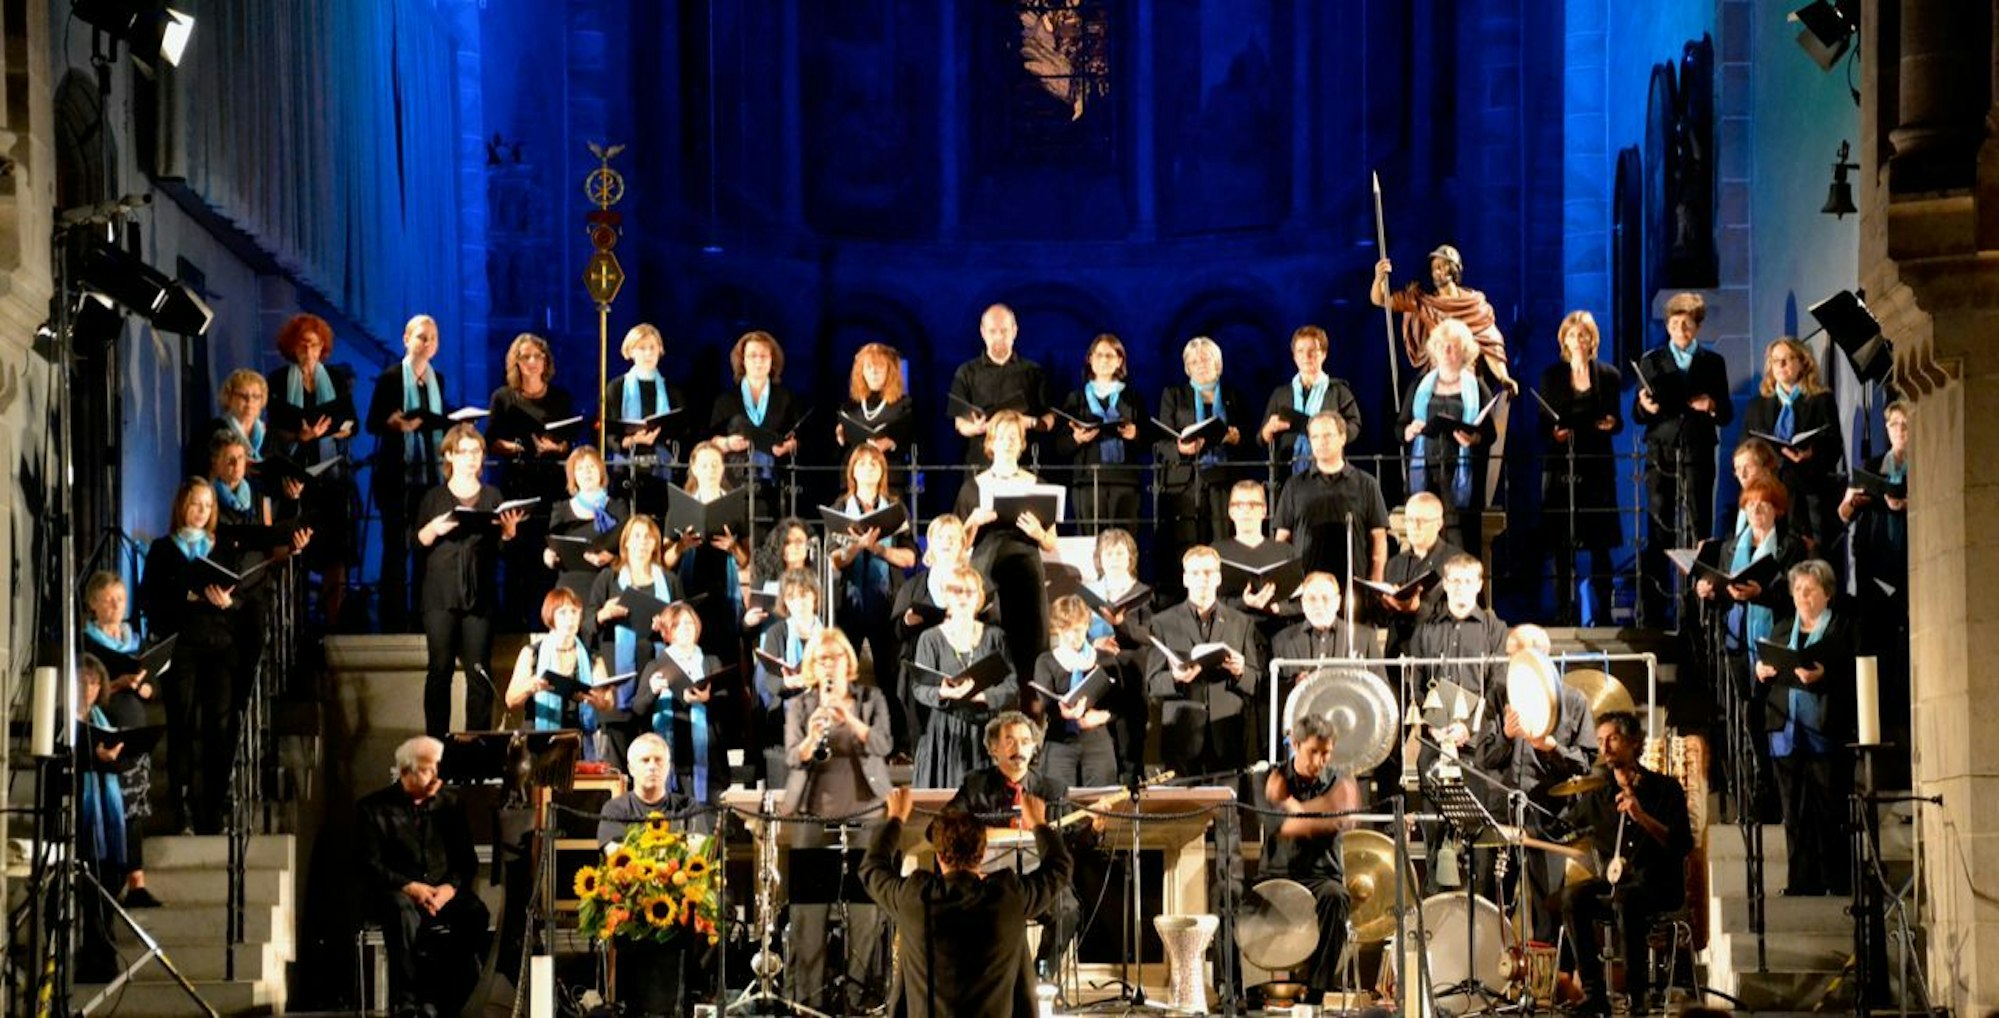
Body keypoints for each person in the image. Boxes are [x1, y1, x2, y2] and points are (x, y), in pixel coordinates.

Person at [862, 785, 1074, 1018]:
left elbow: (872, 868)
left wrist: (895, 818)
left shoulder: (916, 897)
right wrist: (1038, 823)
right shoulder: (1007, 897)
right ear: (982, 853)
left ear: (939, 855)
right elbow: (1059, 868)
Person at [781, 628, 893, 1015]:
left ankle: (858, 999)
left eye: (836, 657)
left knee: (865, 911)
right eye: (822, 659)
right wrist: (811, 738)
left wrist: (852, 720)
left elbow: (883, 744)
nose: (830, 665)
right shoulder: (800, 705)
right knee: (808, 913)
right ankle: (808, 1002)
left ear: (849, 661)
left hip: (865, 815)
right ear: (813, 666)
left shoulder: (871, 699)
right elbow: (792, 757)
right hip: (812, 817)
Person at [1557, 711, 1692, 1017]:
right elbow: (1560, 827)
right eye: (1600, 740)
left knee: (1627, 899)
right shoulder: (1598, 795)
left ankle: (1637, 996)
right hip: (1616, 885)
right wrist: (1524, 826)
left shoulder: (1666, 789)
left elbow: (1682, 844)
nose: (1604, 747)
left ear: (1633, 743)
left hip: (1658, 885)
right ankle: (1595, 995)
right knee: (1572, 897)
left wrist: (1641, 816)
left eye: (1613, 739)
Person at [138, 478, 248, 834]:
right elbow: (148, 599)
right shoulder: (162, 549)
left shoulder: (222, 547)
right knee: (181, 725)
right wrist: (185, 598)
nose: (202, 511)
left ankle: (213, 811)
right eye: (195, 504)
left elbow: (242, 596)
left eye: (207, 505)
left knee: (219, 727)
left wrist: (228, 602)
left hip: (219, 644)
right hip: (181, 645)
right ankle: (181, 809)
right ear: (182, 506)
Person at [356, 736, 490, 1018]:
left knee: (475, 914)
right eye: (428, 770)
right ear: (406, 772)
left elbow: (467, 861)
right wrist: (410, 887)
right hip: (399, 891)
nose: (436, 777)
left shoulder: (450, 804)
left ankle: (448, 995)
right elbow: (369, 864)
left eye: (437, 768)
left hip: (442, 892)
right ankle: (408, 999)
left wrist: (448, 890)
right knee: (401, 912)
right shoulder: (373, 808)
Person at [947, 711, 1088, 978]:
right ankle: (985, 982)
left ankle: (1040, 978)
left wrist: (1094, 830)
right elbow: (941, 829)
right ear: (994, 748)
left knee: (1067, 909)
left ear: (1034, 748)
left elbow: (1070, 841)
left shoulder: (1053, 790)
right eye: (1009, 741)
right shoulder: (975, 785)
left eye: (1025, 742)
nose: (1018, 749)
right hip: (987, 883)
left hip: (1035, 883)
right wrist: (988, 835)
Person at [1482, 624, 1596, 941]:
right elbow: (1484, 757)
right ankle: (1496, 967)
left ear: (1540, 656)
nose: (1511, 665)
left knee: (1548, 908)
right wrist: (1506, 736)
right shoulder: (1498, 696)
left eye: (1516, 656)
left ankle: (1548, 969)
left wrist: (1552, 748)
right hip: (1504, 814)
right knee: (1493, 904)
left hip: (1548, 815)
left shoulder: (1573, 701)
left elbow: (1585, 762)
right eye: (1509, 657)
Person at [413, 424, 526, 737]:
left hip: (479, 595)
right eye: (463, 452)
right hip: (440, 595)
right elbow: (415, 543)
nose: (471, 458)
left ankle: (475, 745)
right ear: (449, 455)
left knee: (479, 672)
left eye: (476, 452)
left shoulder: (492, 496)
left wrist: (509, 534)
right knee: (440, 670)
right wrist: (434, 529)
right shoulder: (435, 497)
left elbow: (505, 552)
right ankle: (437, 745)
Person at [1755, 560, 1857, 896]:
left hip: (1825, 728)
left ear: (1827, 593)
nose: (1803, 595)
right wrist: (1760, 671)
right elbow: (1765, 670)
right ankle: (1802, 881)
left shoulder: (1841, 628)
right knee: (1793, 809)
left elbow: (1852, 673)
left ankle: (1836, 879)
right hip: (1785, 729)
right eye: (1798, 589)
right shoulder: (1782, 628)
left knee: (1829, 807)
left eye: (1810, 590)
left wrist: (1824, 674)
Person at [1634, 293, 1733, 625]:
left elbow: (1726, 413)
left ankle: (1696, 611)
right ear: (1667, 325)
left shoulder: (1713, 362)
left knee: (1699, 526)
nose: (1681, 329)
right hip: (1661, 451)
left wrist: (1712, 405)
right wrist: (1644, 407)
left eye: (1687, 323)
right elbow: (1637, 413)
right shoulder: (1652, 360)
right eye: (1675, 323)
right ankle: (1655, 611)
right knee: (1659, 527)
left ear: (1698, 326)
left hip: (1698, 449)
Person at [266, 312, 358, 626]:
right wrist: (300, 436)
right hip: (294, 476)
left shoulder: (334, 378)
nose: (309, 351)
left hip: (329, 478)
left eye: (315, 345)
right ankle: (295, 622)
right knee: (296, 547)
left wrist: (335, 431)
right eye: (303, 345)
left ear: (323, 348)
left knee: (335, 552)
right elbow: (274, 429)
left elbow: (352, 423)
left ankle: (334, 623)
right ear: (292, 347)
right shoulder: (278, 379)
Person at [1263, 713, 1362, 1001]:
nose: (1319, 761)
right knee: (1229, 896)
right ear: (1295, 744)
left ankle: (1316, 993)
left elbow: (1330, 823)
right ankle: (1237, 992)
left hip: (1321, 877)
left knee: (1336, 896)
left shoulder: (1339, 781)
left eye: (1326, 753)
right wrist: (1323, 809)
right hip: (1277, 876)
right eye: (1313, 752)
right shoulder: (1275, 777)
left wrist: (1293, 805)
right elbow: (1285, 828)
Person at [828, 443, 917, 755]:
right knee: (844, 676)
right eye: (861, 464)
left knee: (891, 677)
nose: (867, 469)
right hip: (849, 604)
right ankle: (844, 742)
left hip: (886, 604)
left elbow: (909, 558)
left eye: (874, 464)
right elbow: (833, 560)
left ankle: (899, 745)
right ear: (852, 471)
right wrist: (857, 547)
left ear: (882, 472)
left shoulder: (895, 508)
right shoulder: (841, 507)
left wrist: (877, 548)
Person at [957, 409, 1059, 682]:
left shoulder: (1037, 484)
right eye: (1002, 436)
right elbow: (959, 545)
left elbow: (1051, 542)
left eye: (1014, 436)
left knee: (1030, 640)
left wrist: (1038, 533)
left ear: (1022, 442)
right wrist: (974, 521)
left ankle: (1030, 701)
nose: (1008, 442)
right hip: (986, 570)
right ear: (990, 442)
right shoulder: (972, 487)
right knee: (990, 639)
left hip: (1026, 570)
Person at [1536, 311, 1624, 624]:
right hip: (1562, 465)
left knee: (1600, 544)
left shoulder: (1609, 375)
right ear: (1564, 340)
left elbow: (1617, 421)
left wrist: (1612, 423)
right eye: (1572, 335)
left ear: (1592, 339)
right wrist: (1554, 433)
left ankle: (1604, 612)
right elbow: (1542, 425)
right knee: (1561, 544)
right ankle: (1564, 611)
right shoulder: (1551, 376)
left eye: (1583, 335)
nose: (1578, 341)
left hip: (1596, 465)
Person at [1146, 545, 1265, 777]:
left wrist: (1241, 671)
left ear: (1219, 578)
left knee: (1227, 800)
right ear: (1185, 579)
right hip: (1181, 735)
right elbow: (1152, 684)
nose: (1202, 579)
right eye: (1195, 573)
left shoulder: (1241, 622)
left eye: (1209, 573)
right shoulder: (1163, 623)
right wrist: (1175, 678)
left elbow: (1256, 682)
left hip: (1227, 733)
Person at [366, 314, 449, 630]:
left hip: (430, 476)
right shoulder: (390, 378)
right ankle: (394, 621)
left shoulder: (437, 379)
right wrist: (393, 424)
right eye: (421, 337)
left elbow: (438, 420)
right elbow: (373, 422)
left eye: (433, 338)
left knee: (427, 548)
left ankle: (423, 617)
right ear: (406, 339)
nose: (428, 343)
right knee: (396, 549)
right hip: (397, 477)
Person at [82, 572, 161, 906]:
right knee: (115, 805)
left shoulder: (135, 641)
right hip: (106, 727)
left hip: (135, 726)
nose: (116, 606)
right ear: (93, 604)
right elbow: (85, 690)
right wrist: (116, 684)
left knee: (136, 808)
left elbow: (154, 686)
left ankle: (137, 884)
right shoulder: (87, 643)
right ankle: (109, 878)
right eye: (109, 600)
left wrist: (144, 687)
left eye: (121, 599)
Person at [488, 332, 577, 626]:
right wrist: (518, 447)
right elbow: (491, 441)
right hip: (517, 484)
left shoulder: (561, 397)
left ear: (546, 361)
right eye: (525, 356)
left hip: (552, 486)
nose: (532, 362)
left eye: (538, 356)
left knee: (548, 559)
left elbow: (570, 443)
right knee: (516, 560)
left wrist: (556, 448)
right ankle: (513, 628)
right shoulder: (503, 397)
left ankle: (548, 624)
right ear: (516, 362)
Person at [1839, 401, 1910, 753]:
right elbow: (1843, 514)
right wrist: (1851, 503)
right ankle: (1884, 722)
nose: (1900, 431)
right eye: (1894, 424)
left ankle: (1905, 718)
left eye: (1906, 424)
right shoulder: (1871, 467)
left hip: (1910, 564)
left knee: (1905, 646)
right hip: (1875, 569)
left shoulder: (1925, 463)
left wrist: (1907, 504)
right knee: (1876, 644)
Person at [1399, 319, 1498, 557]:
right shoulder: (1419, 385)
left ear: (1464, 351)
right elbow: (1400, 428)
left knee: (1461, 543)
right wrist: (1410, 431)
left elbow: (1490, 434)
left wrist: (1474, 440)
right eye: (1442, 345)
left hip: (1462, 475)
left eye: (1453, 346)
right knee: (1426, 543)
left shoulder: (1476, 386)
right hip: (1425, 472)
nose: (1447, 350)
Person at [913, 565, 1017, 788]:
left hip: (986, 728)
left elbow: (1011, 685)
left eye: (969, 592)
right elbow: (920, 688)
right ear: (946, 596)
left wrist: (984, 696)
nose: (963, 597)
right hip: (947, 730)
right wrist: (943, 692)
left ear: (979, 597)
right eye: (956, 591)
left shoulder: (995, 637)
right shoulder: (930, 639)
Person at [1155, 336, 1251, 578]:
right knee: (1188, 542)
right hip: (1186, 482)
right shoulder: (1174, 395)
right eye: (1194, 361)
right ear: (1187, 367)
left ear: (1218, 364)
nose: (1200, 365)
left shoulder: (1233, 395)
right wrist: (1181, 448)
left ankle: (1226, 590)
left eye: (1206, 360)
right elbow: (1161, 443)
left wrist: (1236, 437)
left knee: (1225, 541)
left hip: (1224, 480)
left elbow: (1250, 437)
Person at [586, 514, 678, 764]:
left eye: (648, 537)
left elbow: (684, 628)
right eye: (636, 536)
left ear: (656, 544)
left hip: (657, 685)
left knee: (655, 761)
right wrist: (604, 614)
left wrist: (666, 627)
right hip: (618, 687)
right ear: (625, 542)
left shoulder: (669, 581)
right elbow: (586, 627)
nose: (642, 542)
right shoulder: (609, 578)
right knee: (617, 767)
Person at [1740, 337, 1844, 552]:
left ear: (1802, 362)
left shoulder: (1820, 400)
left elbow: (1834, 447)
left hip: (1808, 492)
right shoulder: (1757, 406)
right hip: (1770, 496)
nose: (1781, 365)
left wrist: (1811, 453)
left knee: (1811, 555)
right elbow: (1745, 448)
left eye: (1788, 359)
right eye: (1776, 360)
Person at [1371, 244, 1518, 393]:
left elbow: (1492, 346)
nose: (1437, 270)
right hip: (1437, 380)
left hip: (1468, 379)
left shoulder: (1475, 305)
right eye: (1434, 267)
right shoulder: (1425, 304)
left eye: (1442, 265)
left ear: (1454, 268)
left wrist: (1503, 377)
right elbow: (1381, 300)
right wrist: (1379, 279)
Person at [1275, 411, 1390, 587]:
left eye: (1328, 435)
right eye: (1315, 437)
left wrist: (1376, 583)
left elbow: (1379, 538)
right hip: (1307, 590)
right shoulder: (1294, 485)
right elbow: (1282, 540)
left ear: (1343, 438)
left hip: (1353, 588)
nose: (1321, 442)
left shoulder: (1366, 484)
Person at [663, 441, 752, 659]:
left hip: (725, 592)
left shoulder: (735, 505)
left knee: (726, 654)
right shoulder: (680, 507)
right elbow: (665, 560)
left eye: (715, 465)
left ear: (722, 468)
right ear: (694, 469)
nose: (710, 470)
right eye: (704, 465)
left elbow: (745, 559)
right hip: (691, 589)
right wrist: (681, 546)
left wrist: (733, 547)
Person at [74, 655, 133, 981]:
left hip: (108, 819)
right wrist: (93, 757)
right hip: (80, 818)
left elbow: (120, 766)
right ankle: (94, 961)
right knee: (89, 890)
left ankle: (104, 958)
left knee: (109, 884)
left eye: (95, 682)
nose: (89, 688)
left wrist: (113, 758)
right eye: (83, 681)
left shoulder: (103, 719)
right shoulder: (63, 720)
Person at [636, 602, 729, 807]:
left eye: (689, 623)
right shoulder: (656, 665)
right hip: (671, 756)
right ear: (668, 631)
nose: (686, 628)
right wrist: (653, 691)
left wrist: (707, 699)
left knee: (705, 817)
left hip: (707, 756)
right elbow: (638, 709)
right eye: (678, 625)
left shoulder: (710, 662)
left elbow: (726, 706)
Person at [1079, 528, 1154, 781]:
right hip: (1099, 675)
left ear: (1130, 557)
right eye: (1108, 553)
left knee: (1130, 749)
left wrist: (1122, 626)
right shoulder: (1089, 594)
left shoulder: (1143, 593)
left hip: (1132, 675)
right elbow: (1075, 632)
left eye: (1120, 553)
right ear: (1099, 558)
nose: (1114, 559)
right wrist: (1094, 642)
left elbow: (1149, 634)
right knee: (1102, 753)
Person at [1053, 333, 1145, 532]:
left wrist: (1136, 434)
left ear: (1119, 361)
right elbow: (1059, 446)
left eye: (1110, 355)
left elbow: (1149, 442)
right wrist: (1076, 439)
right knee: (1091, 542)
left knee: (1124, 542)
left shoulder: (1132, 398)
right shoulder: (1076, 399)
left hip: (1125, 482)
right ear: (1090, 359)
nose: (1104, 360)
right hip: (1087, 481)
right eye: (1099, 355)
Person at [503, 586, 616, 744]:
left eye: (574, 612)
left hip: (578, 739)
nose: (570, 619)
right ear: (551, 617)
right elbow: (511, 700)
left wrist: (597, 700)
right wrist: (531, 686)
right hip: (538, 737)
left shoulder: (593, 657)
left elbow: (608, 703)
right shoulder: (531, 653)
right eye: (563, 613)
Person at [709, 330, 802, 521]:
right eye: (752, 356)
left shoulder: (786, 398)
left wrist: (789, 446)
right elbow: (711, 441)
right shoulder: (726, 400)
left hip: (774, 485)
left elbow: (799, 438)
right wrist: (727, 443)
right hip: (735, 481)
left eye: (763, 356)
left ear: (772, 360)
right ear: (742, 360)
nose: (758, 361)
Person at [1028, 598, 1119, 787]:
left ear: (1087, 625)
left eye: (1077, 629)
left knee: (1100, 799)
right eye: (1065, 630)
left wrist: (1102, 716)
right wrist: (1063, 712)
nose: (1072, 637)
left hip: (1096, 743)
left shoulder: (1104, 660)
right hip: (1060, 743)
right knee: (1060, 798)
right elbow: (1046, 703)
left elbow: (1122, 703)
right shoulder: (1046, 661)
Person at [949, 303, 1052, 469]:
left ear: (1014, 331)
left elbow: (1050, 418)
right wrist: (977, 428)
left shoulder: (1034, 372)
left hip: (1023, 465)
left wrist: (1029, 422)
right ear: (983, 333)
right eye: (992, 331)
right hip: (981, 465)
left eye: (1004, 331)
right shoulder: (966, 372)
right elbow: (960, 424)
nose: (998, 337)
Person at [1261, 325, 1364, 476]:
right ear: (1294, 356)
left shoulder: (1339, 391)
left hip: (1329, 470)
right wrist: (1267, 431)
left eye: (1312, 351)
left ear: (1324, 354)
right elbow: (1261, 438)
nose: (1306, 356)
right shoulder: (1280, 394)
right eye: (1300, 351)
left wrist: (1333, 434)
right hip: (1286, 472)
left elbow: (1355, 425)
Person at [754, 568, 826, 786]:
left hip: (820, 723)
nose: (799, 603)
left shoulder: (828, 634)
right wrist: (787, 682)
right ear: (785, 602)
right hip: (783, 726)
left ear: (815, 597)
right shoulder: (776, 633)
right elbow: (770, 680)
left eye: (804, 595)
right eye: (792, 597)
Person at [604, 323, 687, 508]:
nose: (648, 353)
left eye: (652, 347)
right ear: (631, 351)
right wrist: (631, 440)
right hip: (626, 467)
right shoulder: (616, 388)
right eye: (642, 348)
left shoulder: (672, 390)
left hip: (662, 467)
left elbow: (682, 430)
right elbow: (606, 432)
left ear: (660, 350)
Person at [1377, 492, 1460, 656]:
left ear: (1439, 523)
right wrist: (1385, 604)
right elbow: (1382, 619)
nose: (1414, 526)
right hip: (1399, 653)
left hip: (1437, 653)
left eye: (1421, 521)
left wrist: (1419, 608)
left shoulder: (1455, 562)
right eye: (1409, 520)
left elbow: (1463, 611)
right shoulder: (1394, 564)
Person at [1213, 479, 1297, 630]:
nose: (1246, 511)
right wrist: (1244, 602)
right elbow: (1206, 599)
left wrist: (1279, 608)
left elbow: (1302, 601)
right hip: (1232, 631)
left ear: (1264, 511)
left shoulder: (1285, 552)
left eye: (1253, 504)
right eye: (1239, 505)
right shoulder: (1216, 552)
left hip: (1278, 631)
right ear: (1231, 512)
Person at [543, 446, 625, 597]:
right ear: (573, 476)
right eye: (580, 468)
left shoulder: (617, 507)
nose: (587, 472)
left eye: (591, 466)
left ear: (601, 471)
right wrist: (548, 556)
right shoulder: (561, 509)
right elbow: (553, 547)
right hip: (571, 587)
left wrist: (612, 557)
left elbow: (628, 546)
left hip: (607, 584)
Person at [597, 732, 694, 848]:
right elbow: (613, 852)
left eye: (658, 760)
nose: (652, 767)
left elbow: (700, 847)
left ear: (668, 767)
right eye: (645, 760)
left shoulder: (689, 807)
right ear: (631, 769)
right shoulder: (614, 809)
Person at [836, 341, 917, 460]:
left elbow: (915, 442)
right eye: (869, 367)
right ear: (861, 372)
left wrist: (890, 443)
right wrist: (840, 438)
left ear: (890, 371)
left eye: (880, 366)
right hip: (855, 466)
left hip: (890, 466)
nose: (874, 372)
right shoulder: (849, 407)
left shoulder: (904, 405)